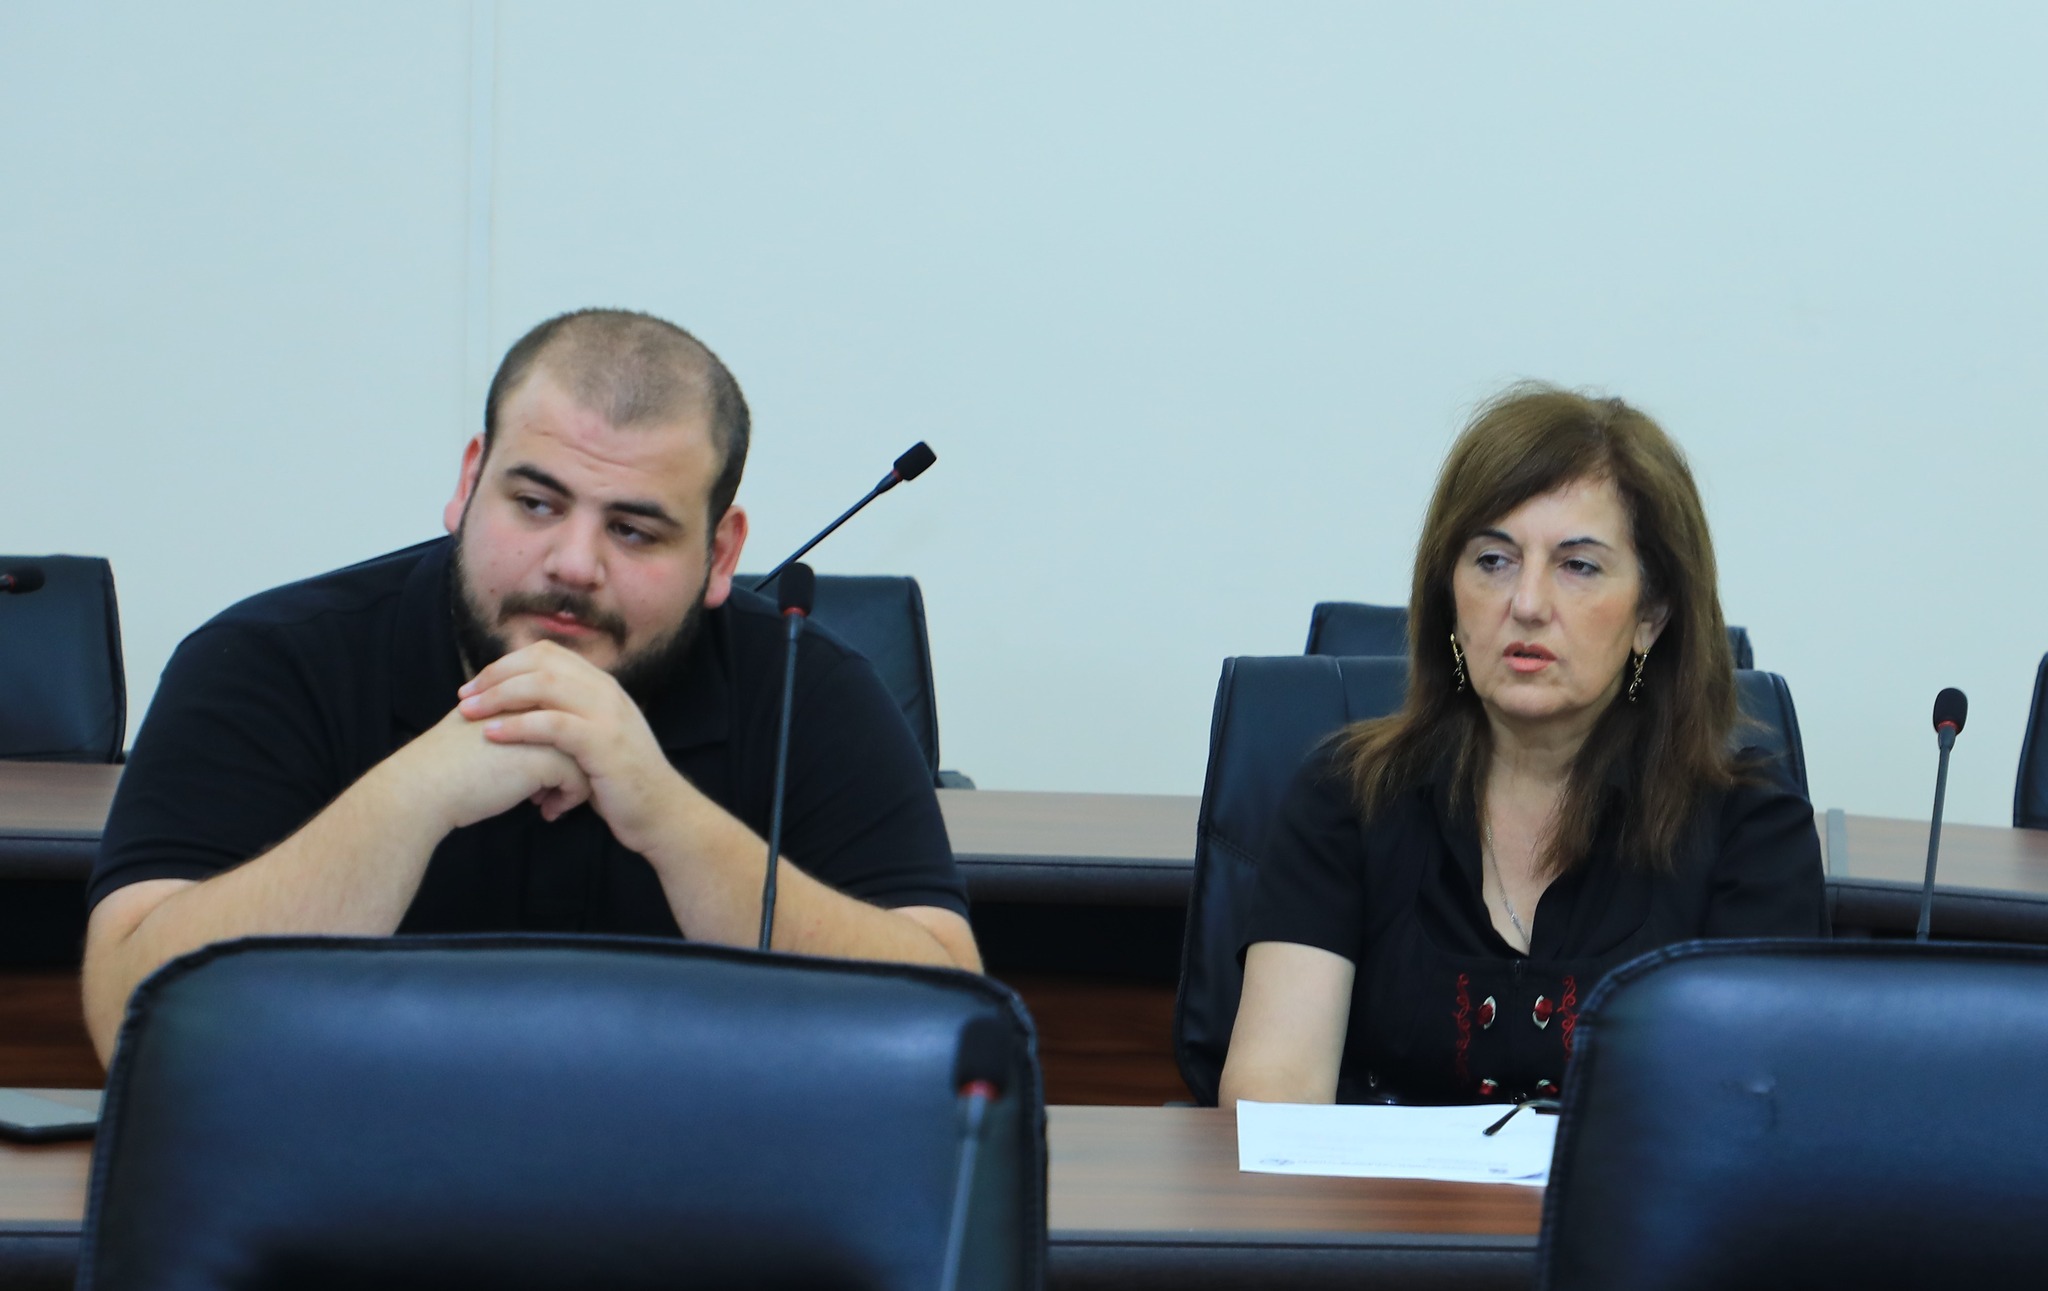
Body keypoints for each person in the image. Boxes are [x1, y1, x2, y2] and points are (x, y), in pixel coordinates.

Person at [81, 308, 980, 1060]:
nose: (573, 564)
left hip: (703, 1189)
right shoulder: (266, 660)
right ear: (469, 483)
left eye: (634, 530)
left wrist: (669, 818)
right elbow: (131, 1021)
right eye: (537, 504)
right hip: (339, 1188)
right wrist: (415, 792)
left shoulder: (810, 689)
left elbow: (946, 1032)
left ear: (720, 554)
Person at [1219, 386, 1823, 1108]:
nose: (1528, 604)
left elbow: (1753, 1114)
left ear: (1651, 616)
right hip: (1375, 1187)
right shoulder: (1348, 797)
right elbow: (1274, 1092)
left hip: (1630, 1190)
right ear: (1450, 598)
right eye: (1493, 560)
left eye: (1578, 566)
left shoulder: (1748, 828)